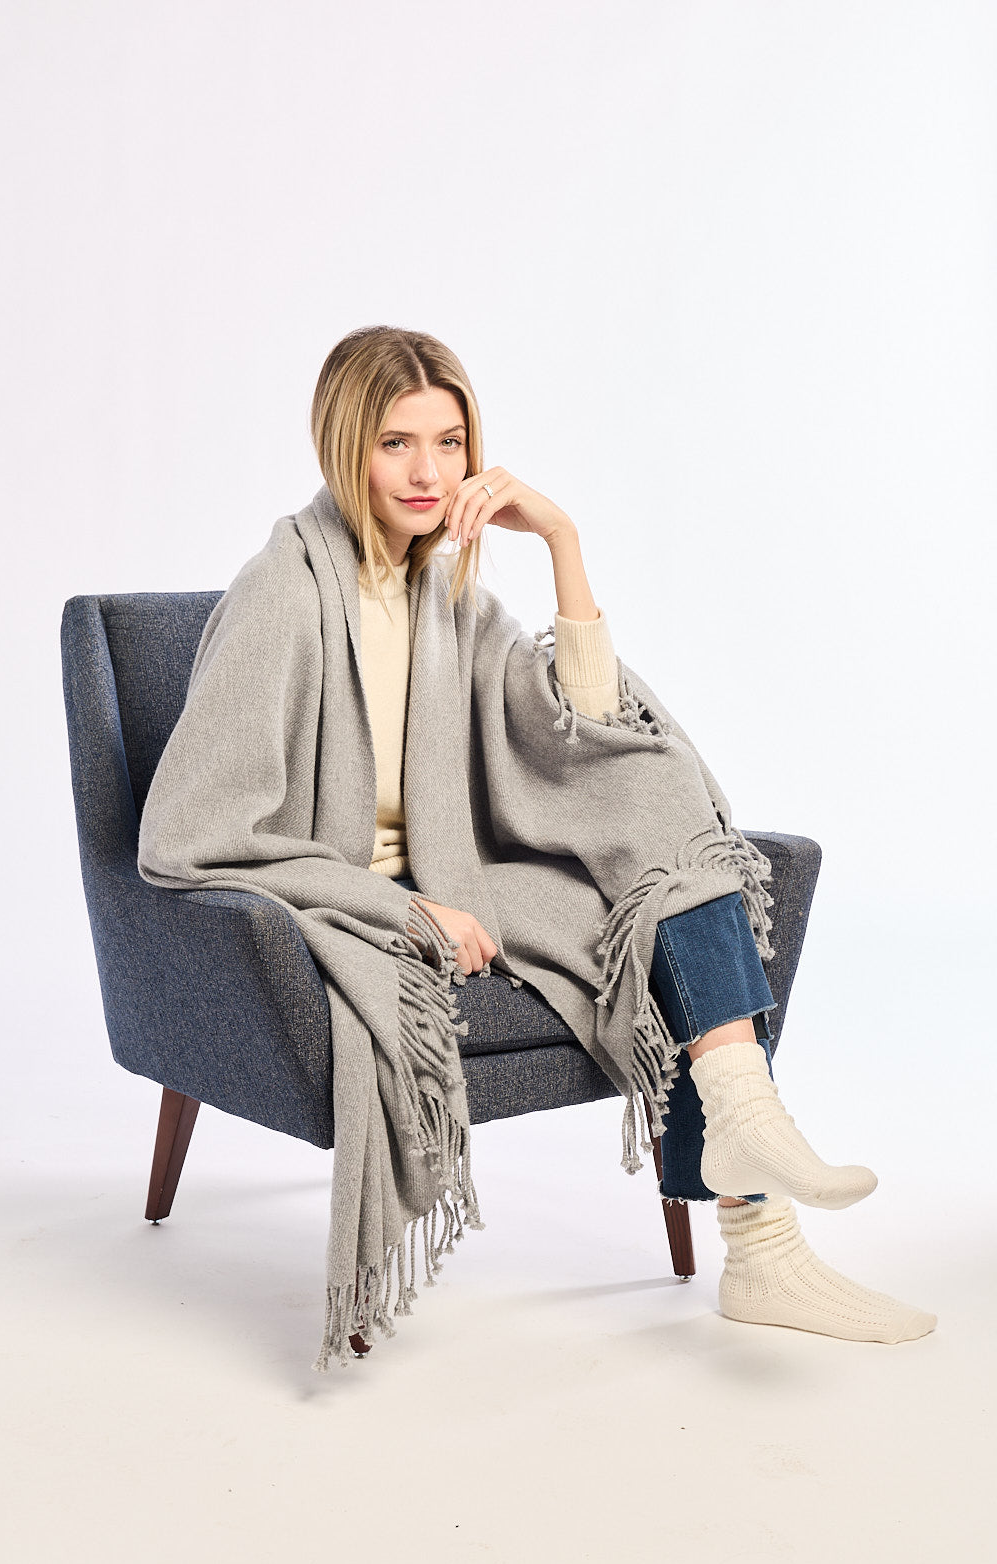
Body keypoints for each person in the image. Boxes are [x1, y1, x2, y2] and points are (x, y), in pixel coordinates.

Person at [315, 324, 935, 1351]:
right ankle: (760, 1225)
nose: (429, 472)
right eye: (396, 443)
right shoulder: (291, 592)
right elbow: (198, 828)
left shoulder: (449, 595)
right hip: (378, 894)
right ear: (347, 446)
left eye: (449, 442)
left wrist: (561, 537)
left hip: (475, 863)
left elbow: (589, 733)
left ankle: (755, 1204)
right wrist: (403, 904)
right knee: (655, 858)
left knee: (660, 840)